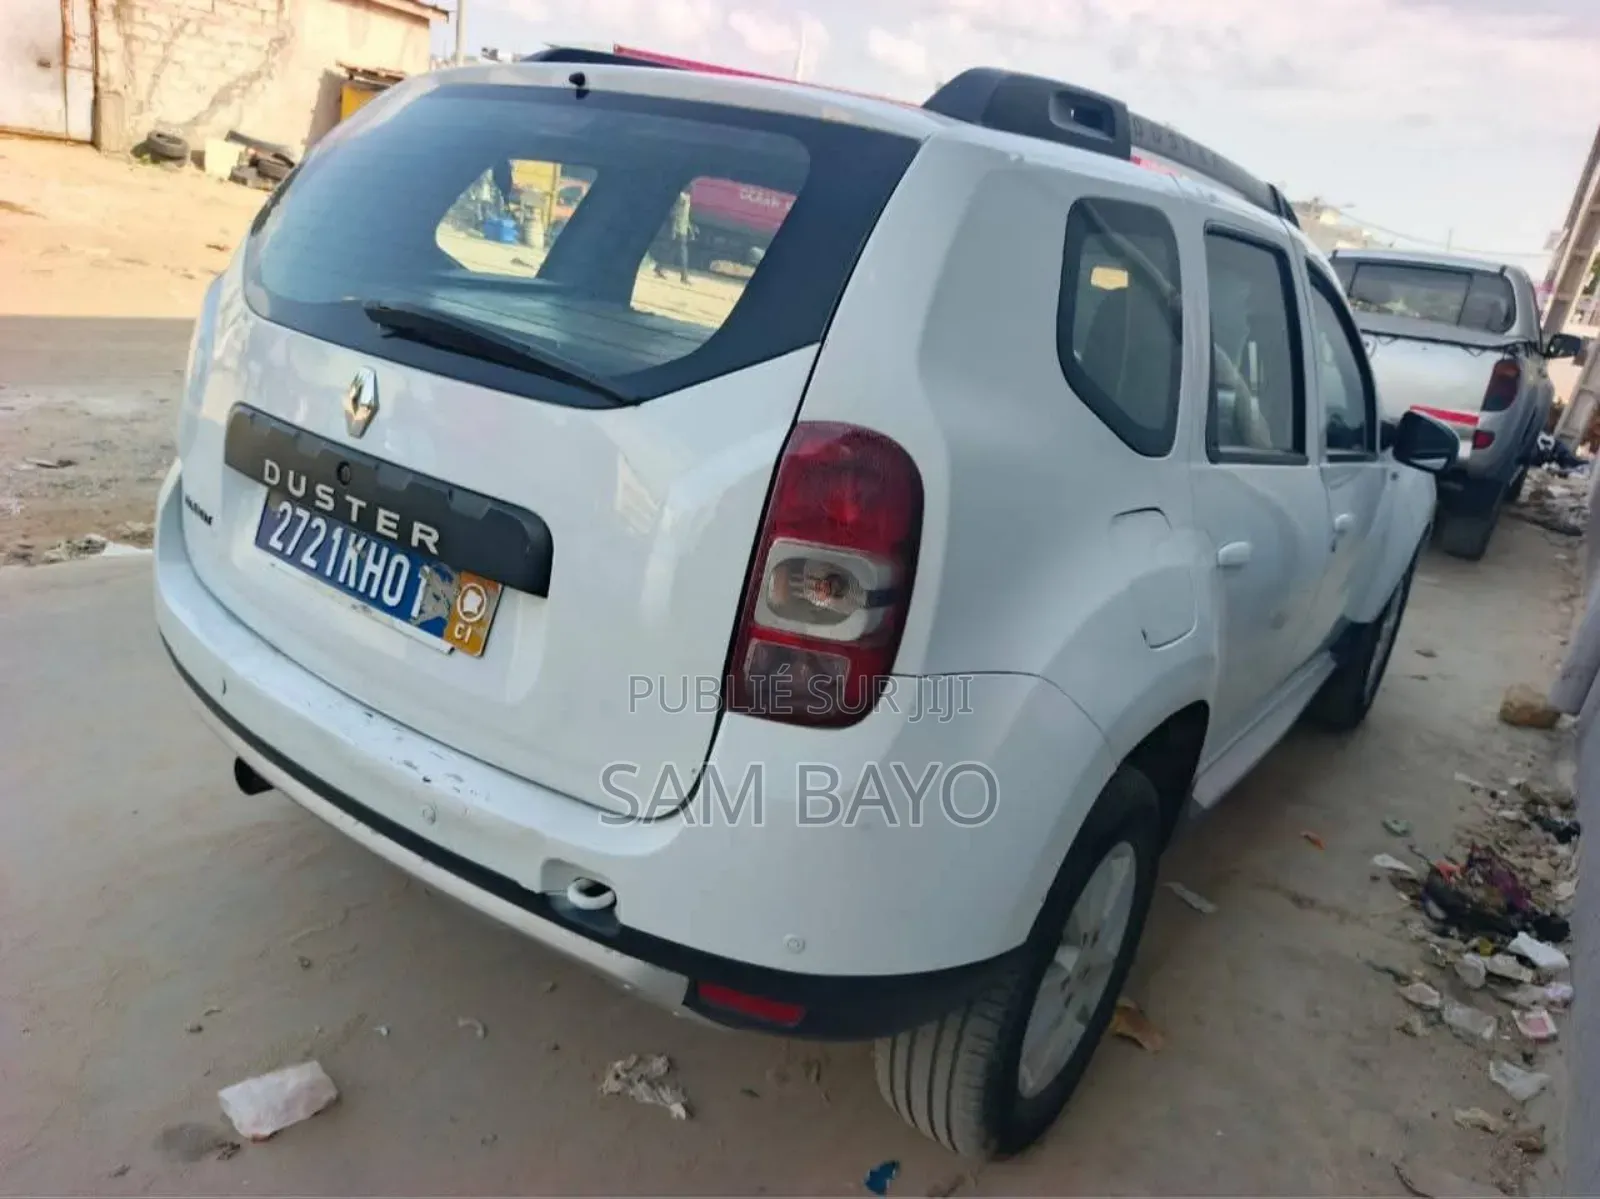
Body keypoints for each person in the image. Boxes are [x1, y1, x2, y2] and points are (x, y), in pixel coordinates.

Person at [654, 188, 692, 284]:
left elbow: (684, 216)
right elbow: (675, 214)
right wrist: (674, 230)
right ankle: (684, 277)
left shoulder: (685, 198)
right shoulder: (682, 198)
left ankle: (659, 267)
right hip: (679, 230)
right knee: (682, 254)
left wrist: (689, 228)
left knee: (670, 251)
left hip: (681, 229)